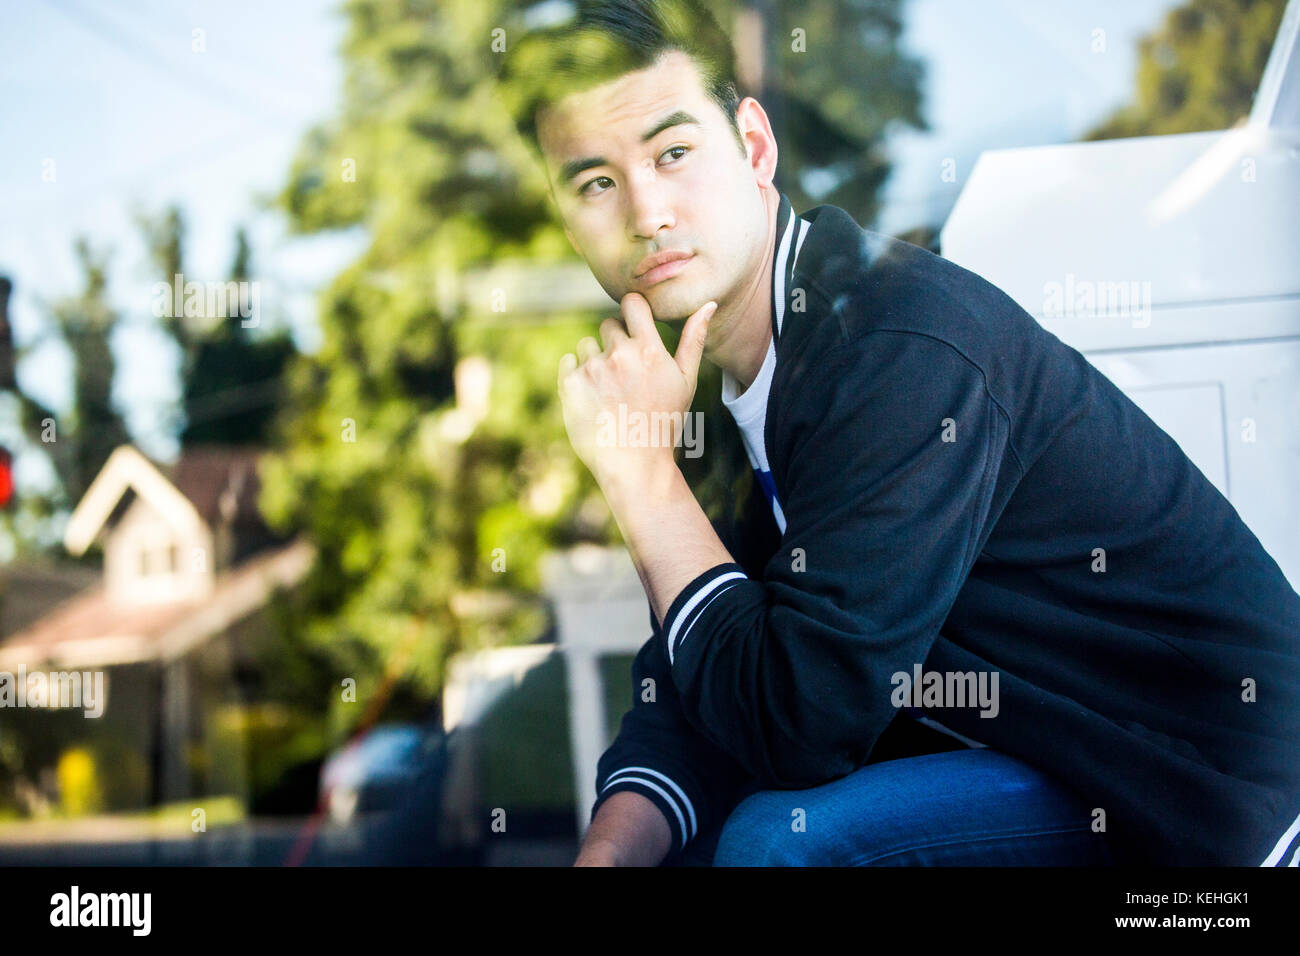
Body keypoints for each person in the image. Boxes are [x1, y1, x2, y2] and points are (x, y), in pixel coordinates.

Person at [498, 0, 1300, 867]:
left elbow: (803, 719)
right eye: (596, 183)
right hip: (1030, 751)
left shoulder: (895, 344)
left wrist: (641, 481)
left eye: (674, 153)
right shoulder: (690, 390)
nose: (645, 212)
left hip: (1200, 793)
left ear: (755, 150)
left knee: (782, 846)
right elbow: (698, 681)